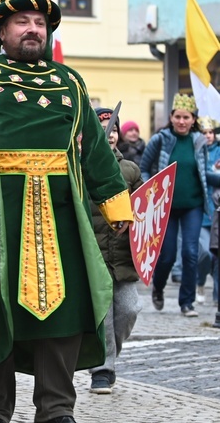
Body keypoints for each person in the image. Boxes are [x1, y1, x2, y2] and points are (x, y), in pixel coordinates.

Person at [0, 0, 133, 423]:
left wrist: (117, 207)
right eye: (21, 21)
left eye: (39, 22)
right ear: (1, 30)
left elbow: (95, 150)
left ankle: (56, 411)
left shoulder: (70, 84)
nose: (32, 29)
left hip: (62, 223)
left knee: (63, 315)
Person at [141, 95, 218, 317]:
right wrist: (151, 189)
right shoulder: (161, 139)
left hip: (193, 205)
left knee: (191, 253)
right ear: (171, 118)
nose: (182, 121)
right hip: (166, 207)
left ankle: (187, 303)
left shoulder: (199, 141)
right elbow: (144, 167)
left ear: (193, 119)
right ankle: (158, 286)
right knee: (166, 256)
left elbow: (204, 173)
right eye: (178, 117)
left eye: (186, 117)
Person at [88, 107, 143, 395]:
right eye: (103, 127)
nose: (110, 133)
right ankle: (103, 369)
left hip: (123, 256)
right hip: (95, 255)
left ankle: (108, 358)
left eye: (114, 127)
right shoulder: (83, 167)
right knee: (104, 316)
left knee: (129, 309)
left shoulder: (131, 170)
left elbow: (145, 210)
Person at [196, 116, 220, 304]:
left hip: (217, 212)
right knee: (204, 253)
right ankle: (201, 282)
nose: (208, 136)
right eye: (204, 133)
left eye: (210, 132)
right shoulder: (197, 151)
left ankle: (217, 298)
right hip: (204, 213)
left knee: (217, 256)